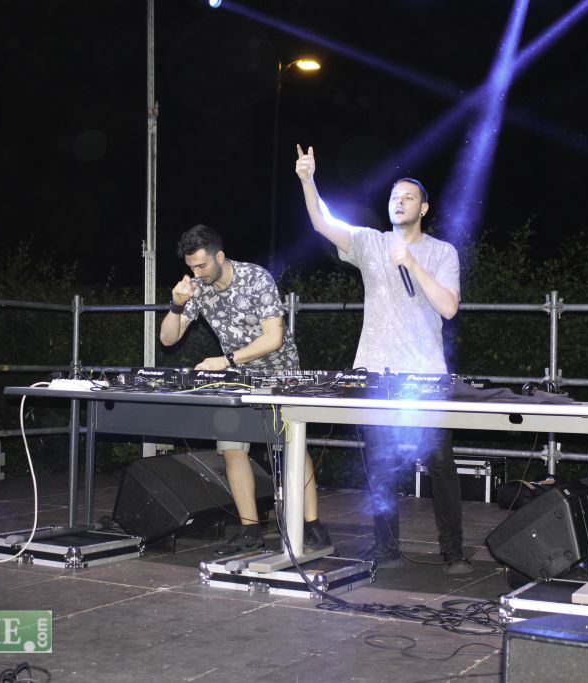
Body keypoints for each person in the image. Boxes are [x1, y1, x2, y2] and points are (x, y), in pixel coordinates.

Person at [294, 145, 472, 575]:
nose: (399, 202)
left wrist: (412, 262)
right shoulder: (370, 243)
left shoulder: (442, 252)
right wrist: (308, 180)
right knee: (380, 464)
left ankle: (453, 551)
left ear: (423, 208)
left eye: (408, 197)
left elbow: (449, 307)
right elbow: (322, 223)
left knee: (441, 464)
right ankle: (386, 547)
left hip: (425, 375)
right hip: (375, 373)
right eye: (395, 196)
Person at [159, 224, 332, 556]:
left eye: (201, 265)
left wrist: (225, 360)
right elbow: (168, 339)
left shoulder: (256, 278)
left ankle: (312, 525)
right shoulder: (198, 288)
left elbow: (274, 338)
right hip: (238, 378)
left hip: (280, 374)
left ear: (219, 256)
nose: (196, 273)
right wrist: (177, 305)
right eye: (191, 267)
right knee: (232, 449)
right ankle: (250, 530)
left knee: (291, 447)